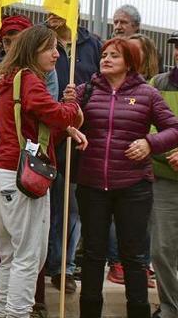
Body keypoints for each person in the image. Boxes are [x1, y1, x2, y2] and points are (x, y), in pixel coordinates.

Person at [73, 38, 178, 318]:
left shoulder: (147, 93)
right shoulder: (86, 91)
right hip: (91, 185)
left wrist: (150, 143)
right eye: (104, 55)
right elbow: (64, 118)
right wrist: (69, 117)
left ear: (129, 62)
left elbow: (174, 129)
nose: (105, 59)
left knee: (134, 258)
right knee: (93, 256)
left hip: (134, 188)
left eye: (114, 56)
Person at [0, 25, 85, 318]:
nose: (57, 54)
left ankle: (3, 311)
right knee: (29, 258)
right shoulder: (29, 79)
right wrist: (71, 105)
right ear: (32, 50)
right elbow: (56, 115)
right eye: (50, 48)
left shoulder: (11, 80)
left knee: (10, 257)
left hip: (4, 175)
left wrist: (66, 128)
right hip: (23, 179)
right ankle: (17, 314)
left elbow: (39, 128)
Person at [44, 12, 101, 294]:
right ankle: (45, 265)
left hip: (79, 138)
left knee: (71, 208)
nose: (49, 14)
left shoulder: (93, 45)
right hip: (48, 135)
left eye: (57, 7)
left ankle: (63, 268)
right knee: (48, 205)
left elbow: (100, 84)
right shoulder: (42, 39)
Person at [150, 32, 178, 318]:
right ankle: (170, 308)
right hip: (165, 179)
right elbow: (145, 124)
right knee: (161, 250)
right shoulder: (158, 83)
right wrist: (167, 150)